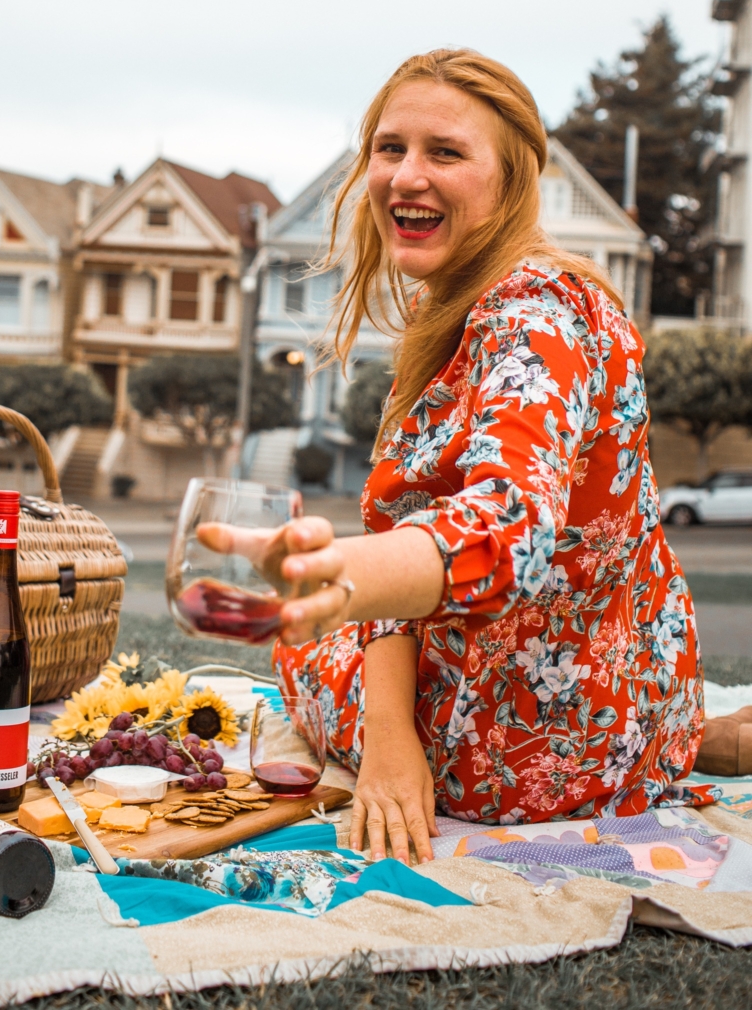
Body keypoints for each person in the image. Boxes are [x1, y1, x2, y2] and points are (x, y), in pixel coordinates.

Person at [200, 48, 714, 865]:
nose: (407, 175)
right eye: (389, 148)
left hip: (507, 756)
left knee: (298, 644)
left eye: (445, 152)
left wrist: (335, 578)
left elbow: (506, 529)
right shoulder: (483, 309)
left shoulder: (532, 315)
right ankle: (693, 736)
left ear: (511, 185)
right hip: (634, 719)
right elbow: (435, 541)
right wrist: (389, 734)